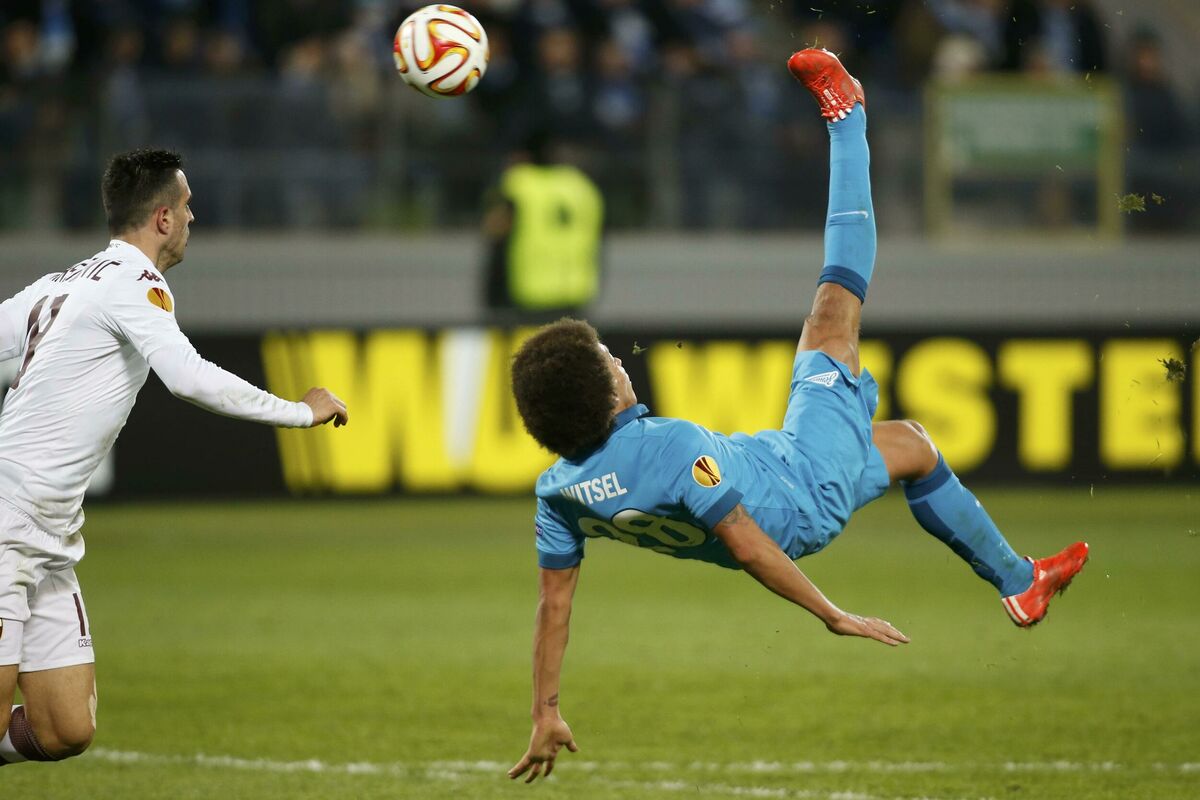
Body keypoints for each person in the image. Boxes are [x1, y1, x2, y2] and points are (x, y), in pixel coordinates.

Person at [506, 50, 1089, 783]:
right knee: (831, 313)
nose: (618, 358)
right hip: (803, 486)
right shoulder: (668, 446)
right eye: (607, 358)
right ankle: (849, 118)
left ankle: (1020, 580)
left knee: (911, 446)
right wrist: (832, 614)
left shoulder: (557, 491)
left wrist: (545, 710)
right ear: (604, 390)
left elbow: (554, 605)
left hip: (789, 473)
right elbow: (748, 546)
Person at [0, 148, 348, 767]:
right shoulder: (136, 283)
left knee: (65, 728)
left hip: (50, 535)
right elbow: (188, 377)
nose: (193, 217)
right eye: (186, 205)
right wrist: (299, 411)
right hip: (6, 521)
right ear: (162, 217)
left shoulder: (62, 283)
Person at [482, 130, 604, 321]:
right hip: (576, 292)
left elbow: (495, 228)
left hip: (529, 293)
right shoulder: (582, 186)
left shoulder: (519, 184)